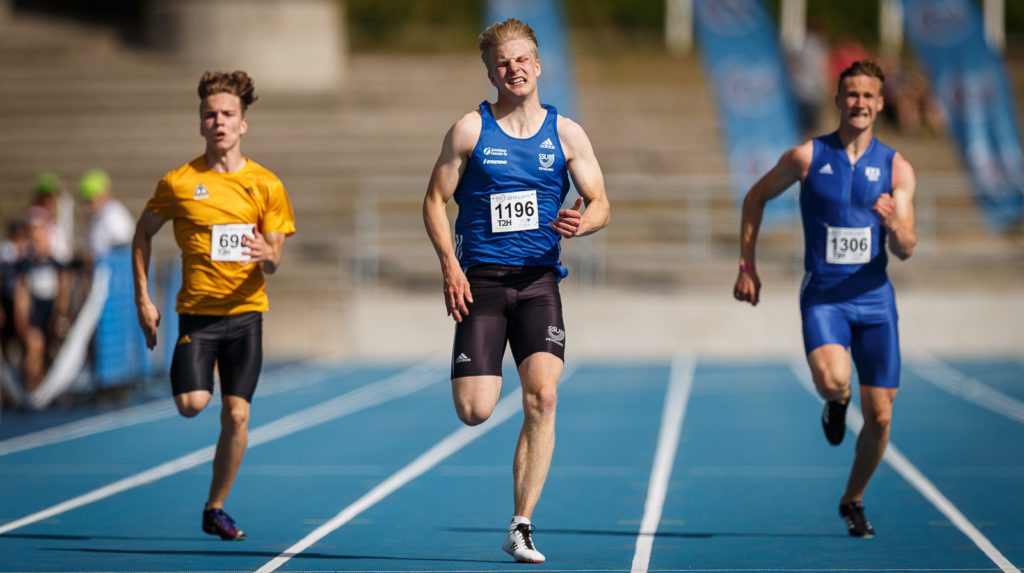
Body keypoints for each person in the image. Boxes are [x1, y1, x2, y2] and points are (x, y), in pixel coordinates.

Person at [423, 18, 610, 563]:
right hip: (480, 283)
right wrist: (450, 266)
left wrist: (583, 223)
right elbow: (434, 200)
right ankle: (479, 367)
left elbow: (601, 202)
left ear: (538, 65)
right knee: (475, 410)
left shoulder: (567, 133)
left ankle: (521, 524)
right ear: (490, 73)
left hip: (538, 282)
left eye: (522, 59)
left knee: (543, 397)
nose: (514, 70)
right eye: (502, 63)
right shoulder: (469, 130)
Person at [733, 60, 916, 538]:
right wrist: (747, 266)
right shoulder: (807, 156)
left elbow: (906, 247)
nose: (860, 103)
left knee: (880, 416)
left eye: (868, 96)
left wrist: (894, 223)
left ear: (881, 103)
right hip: (825, 298)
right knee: (834, 379)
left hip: (875, 301)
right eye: (852, 94)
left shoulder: (897, 167)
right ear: (838, 100)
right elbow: (754, 197)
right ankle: (837, 400)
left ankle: (853, 498)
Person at [132, 71, 295, 541]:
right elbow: (142, 233)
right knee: (191, 404)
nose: (218, 121)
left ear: (243, 124)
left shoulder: (266, 184)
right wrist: (143, 297)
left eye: (227, 114)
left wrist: (266, 254)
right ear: (200, 123)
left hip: (245, 317)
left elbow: (274, 259)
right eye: (210, 114)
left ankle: (215, 507)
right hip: (198, 317)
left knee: (237, 414)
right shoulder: (179, 183)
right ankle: (195, 383)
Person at [78, 168, 135, 263]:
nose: (89, 205)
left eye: (92, 200)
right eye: (87, 201)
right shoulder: (96, 216)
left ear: (105, 194)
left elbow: (123, 246)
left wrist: (98, 258)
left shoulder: (115, 215)